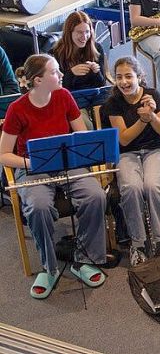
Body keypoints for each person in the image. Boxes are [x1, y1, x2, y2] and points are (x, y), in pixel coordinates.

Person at [0, 54, 107, 298]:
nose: (60, 75)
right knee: (38, 207)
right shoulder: (17, 109)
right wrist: (31, 161)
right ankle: (49, 267)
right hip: (32, 167)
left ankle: (83, 259)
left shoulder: (64, 96)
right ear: (38, 80)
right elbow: (4, 154)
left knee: (96, 196)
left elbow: (81, 135)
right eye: (55, 72)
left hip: (67, 162)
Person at [103, 57, 160, 266]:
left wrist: (152, 116)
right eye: (119, 77)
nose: (124, 82)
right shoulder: (112, 104)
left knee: (153, 186)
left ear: (139, 77)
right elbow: (124, 138)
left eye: (128, 76)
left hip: (155, 150)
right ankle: (138, 242)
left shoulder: (152, 95)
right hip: (127, 154)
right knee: (131, 188)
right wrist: (144, 120)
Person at [50, 11, 108, 94]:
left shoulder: (97, 48)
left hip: (93, 96)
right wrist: (71, 73)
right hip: (68, 97)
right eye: (79, 32)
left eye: (87, 32)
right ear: (69, 33)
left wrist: (96, 72)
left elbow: (102, 85)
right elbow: (55, 89)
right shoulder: (55, 53)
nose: (84, 37)